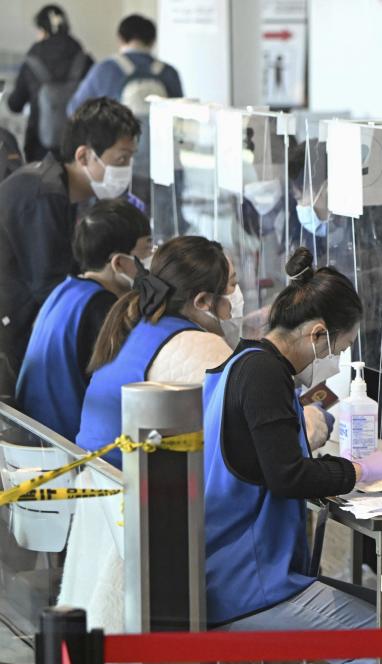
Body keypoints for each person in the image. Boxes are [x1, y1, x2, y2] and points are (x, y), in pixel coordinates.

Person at [204, 247, 382, 664]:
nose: (337, 361)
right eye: (341, 347)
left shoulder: (243, 362)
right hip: (246, 584)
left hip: (231, 569)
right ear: (318, 334)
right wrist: (357, 470)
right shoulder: (264, 376)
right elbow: (287, 475)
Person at [0, 97, 140, 399]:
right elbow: (50, 286)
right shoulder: (44, 195)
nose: (126, 170)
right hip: (14, 337)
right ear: (84, 155)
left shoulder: (57, 190)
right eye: (120, 160)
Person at [75, 236, 234, 466]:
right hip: (127, 490)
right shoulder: (198, 347)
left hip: (98, 478)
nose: (237, 295)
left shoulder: (139, 325)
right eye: (232, 285)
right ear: (202, 301)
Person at [15, 199, 151, 440]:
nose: (152, 257)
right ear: (118, 262)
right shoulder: (102, 308)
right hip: (67, 445)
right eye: (147, 249)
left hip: (34, 434)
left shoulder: (66, 290)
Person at [6, 5, 92, 162]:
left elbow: (15, 104)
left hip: (39, 149)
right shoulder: (84, 59)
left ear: (42, 30)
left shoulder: (32, 60)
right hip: (79, 148)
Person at [67, 14, 183, 116]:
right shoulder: (169, 72)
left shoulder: (104, 69)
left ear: (120, 38)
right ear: (153, 41)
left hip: (117, 140)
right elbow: (181, 115)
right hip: (160, 140)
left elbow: (74, 109)